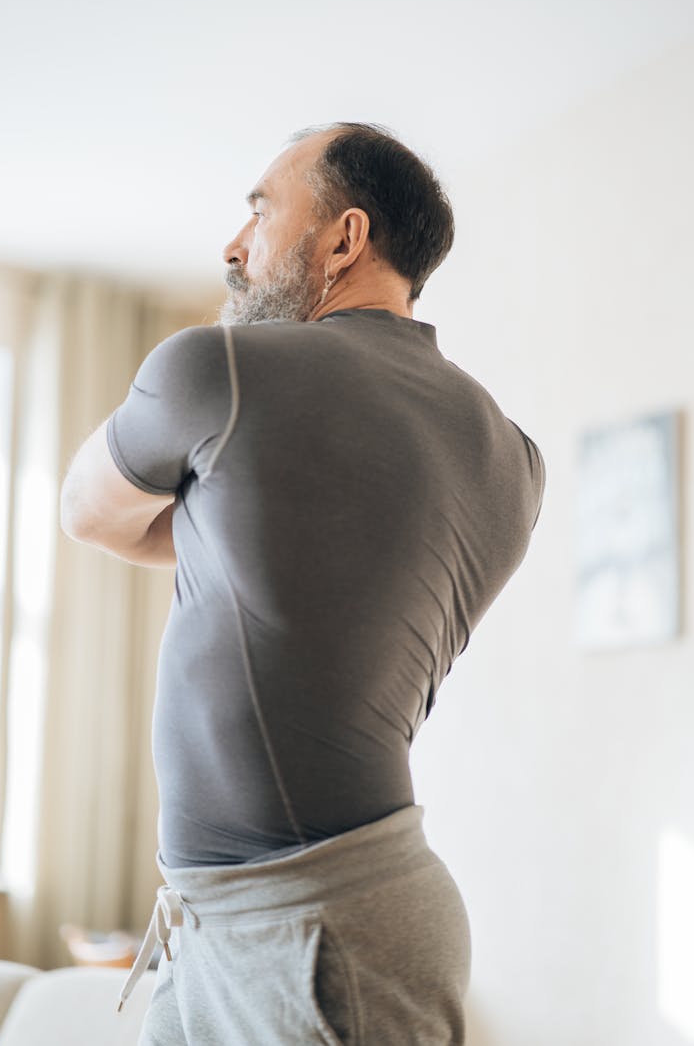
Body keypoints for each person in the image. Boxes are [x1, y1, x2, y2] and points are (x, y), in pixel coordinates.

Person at [60, 122, 546, 1045]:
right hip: (217, 919)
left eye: (259, 210)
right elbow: (323, 568)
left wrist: (203, 505)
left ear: (345, 238)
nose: (233, 246)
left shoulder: (216, 367)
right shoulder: (511, 460)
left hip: (322, 927)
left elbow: (87, 510)